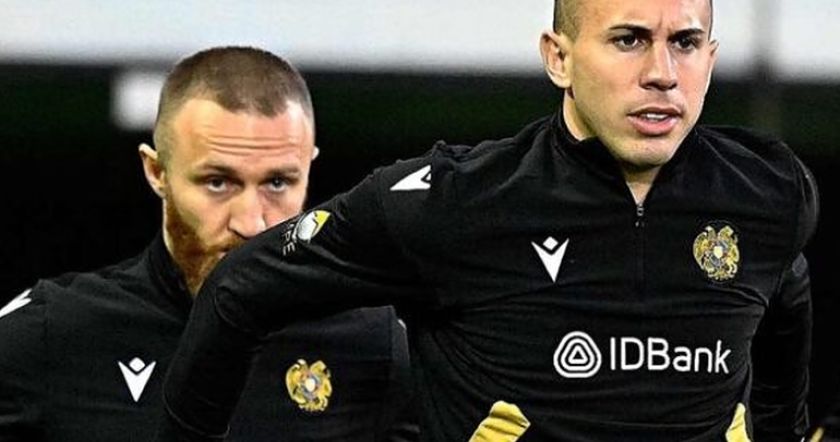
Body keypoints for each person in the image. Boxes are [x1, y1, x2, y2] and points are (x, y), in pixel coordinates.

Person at [160, 1, 818, 440]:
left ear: (711, 57)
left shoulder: (770, 192)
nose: (661, 74)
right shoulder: (452, 203)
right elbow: (240, 289)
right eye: (629, 40)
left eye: (685, 43)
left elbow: (785, 289)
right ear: (558, 57)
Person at [0, 46, 416, 441]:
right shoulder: (50, 334)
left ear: (308, 168)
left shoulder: (374, 346)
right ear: (157, 171)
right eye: (218, 182)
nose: (252, 223)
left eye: (278, 182)